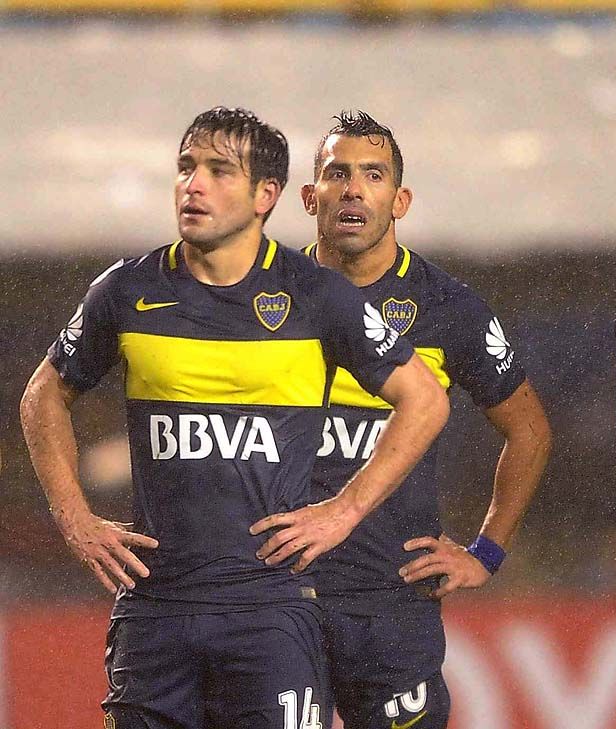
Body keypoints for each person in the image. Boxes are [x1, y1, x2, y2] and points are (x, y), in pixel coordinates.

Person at [19, 107, 449, 729]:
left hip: (270, 615)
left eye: (220, 171)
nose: (193, 184)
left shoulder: (317, 295)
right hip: (155, 610)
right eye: (186, 167)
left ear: (265, 196)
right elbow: (43, 396)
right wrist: (75, 517)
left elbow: (426, 399)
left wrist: (345, 510)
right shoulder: (126, 290)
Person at [300, 110, 551, 729]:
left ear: (400, 199)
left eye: (373, 175)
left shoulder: (448, 308)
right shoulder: (265, 296)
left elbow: (530, 431)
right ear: (310, 198)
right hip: (278, 601)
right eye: (337, 173)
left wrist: (486, 552)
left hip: (391, 601)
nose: (353, 188)